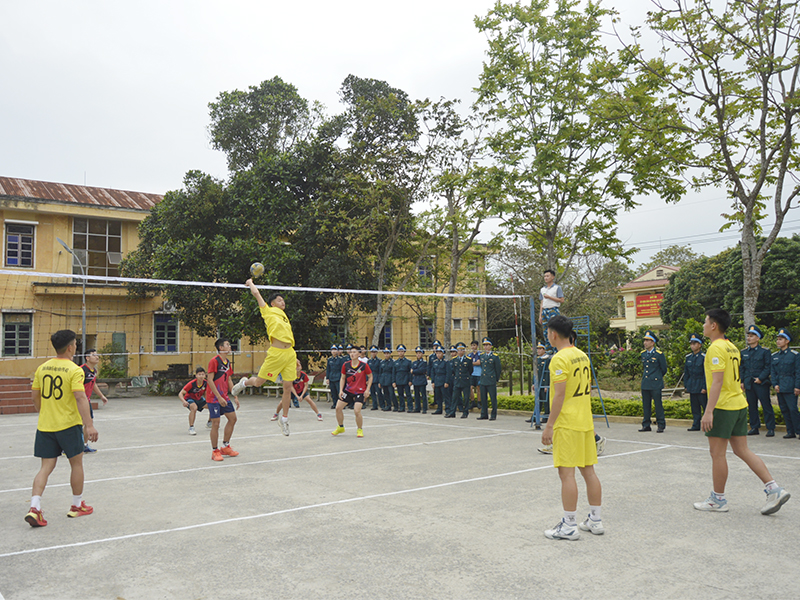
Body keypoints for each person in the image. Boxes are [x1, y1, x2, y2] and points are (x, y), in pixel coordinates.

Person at [694, 309, 790, 515]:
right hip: (739, 404)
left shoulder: (715, 348)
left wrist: (708, 411)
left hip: (723, 406)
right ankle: (774, 489)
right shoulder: (732, 347)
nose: (703, 325)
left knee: (717, 454)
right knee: (742, 450)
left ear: (713, 325)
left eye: (705, 321)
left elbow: (718, 381)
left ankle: (718, 499)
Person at [25, 329, 99, 527]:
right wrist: (89, 425)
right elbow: (80, 396)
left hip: (46, 426)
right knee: (76, 463)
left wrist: (44, 413)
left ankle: (35, 507)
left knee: (45, 467)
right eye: (75, 344)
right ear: (70, 347)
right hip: (68, 425)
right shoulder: (74, 370)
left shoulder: (42, 368)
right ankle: (76, 506)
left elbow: (34, 396)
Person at [540, 315, 603, 541]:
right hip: (585, 422)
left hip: (567, 423)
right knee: (589, 471)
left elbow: (559, 395)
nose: (547, 336)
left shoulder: (559, 359)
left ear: (553, 334)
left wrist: (549, 425)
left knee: (566, 474)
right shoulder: (582, 355)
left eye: (548, 332)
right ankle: (595, 519)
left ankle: (568, 526)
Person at [232, 282, 296, 436]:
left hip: (290, 354)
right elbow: (257, 294)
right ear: (272, 303)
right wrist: (251, 283)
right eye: (279, 300)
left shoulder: (285, 316)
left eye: (283, 300)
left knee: (288, 387)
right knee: (259, 382)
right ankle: (244, 382)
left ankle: (285, 420)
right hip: (276, 354)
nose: (283, 302)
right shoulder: (268, 311)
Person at [206, 338, 241, 461]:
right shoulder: (214, 361)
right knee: (216, 423)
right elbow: (210, 380)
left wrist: (235, 395)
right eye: (227, 345)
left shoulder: (227, 362)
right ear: (221, 348)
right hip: (214, 397)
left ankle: (225, 446)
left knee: (233, 419)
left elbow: (229, 379)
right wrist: (218, 397)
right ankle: (215, 451)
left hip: (225, 396)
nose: (230, 346)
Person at [740, 325, 775, 436]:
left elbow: (767, 366)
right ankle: (754, 427)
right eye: (748, 336)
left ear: (758, 338)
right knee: (752, 406)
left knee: (766, 405)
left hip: (761, 383)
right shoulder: (744, 352)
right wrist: (742, 381)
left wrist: (761, 378)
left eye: (752, 336)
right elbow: (742, 368)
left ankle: (770, 428)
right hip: (749, 382)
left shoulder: (765, 351)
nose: (749, 338)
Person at [332, 346, 373, 438]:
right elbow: (342, 378)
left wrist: (367, 389)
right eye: (351, 352)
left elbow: (370, 376)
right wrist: (341, 390)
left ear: (359, 354)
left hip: (360, 391)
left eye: (354, 352)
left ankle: (359, 429)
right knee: (338, 408)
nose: (352, 354)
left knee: (357, 411)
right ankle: (340, 427)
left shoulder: (363, 365)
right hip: (348, 390)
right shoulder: (345, 365)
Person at [770, 328, 800, 439]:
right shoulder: (775, 356)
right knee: (784, 409)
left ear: (787, 341)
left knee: (793, 409)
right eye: (777, 339)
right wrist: (775, 384)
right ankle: (790, 431)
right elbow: (773, 372)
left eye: (781, 339)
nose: (778, 341)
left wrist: (797, 386)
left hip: (791, 385)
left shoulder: (794, 355)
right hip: (780, 386)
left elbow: (798, 371)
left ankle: (798, 430)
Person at [639, 330, 668, 433]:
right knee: (646, 405)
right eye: (645, 340)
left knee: (658, 405)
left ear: (653, 342)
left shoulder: (659, 354)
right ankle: (646, 424)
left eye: (648, 340)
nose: (645, 342)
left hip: (655, 383)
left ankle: (661, 424)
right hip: (646, 383)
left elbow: (664, 369)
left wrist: (657, 377)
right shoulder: (643, 354)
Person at [80, 348, 108, 452]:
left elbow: (93, 383)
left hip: (87, 400)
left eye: (97, 355)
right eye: (93, 355)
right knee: (78, 424)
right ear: (87, 358)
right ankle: (70, 447)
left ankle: (84, 445)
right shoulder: (81, 370)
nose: (97, 357)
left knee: (89, 422)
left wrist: (101, 396)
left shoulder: (93, 371)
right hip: (80, 401)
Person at [684, 333, 708, 432]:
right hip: (692, 385)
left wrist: (705, 387)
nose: (693, 345)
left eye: (695, 343)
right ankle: (696, 424)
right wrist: (686, 385)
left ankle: (708, 425)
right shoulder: (688, 357)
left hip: (700, 384)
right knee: (694, 407)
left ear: (700, 345)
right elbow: (686, 373)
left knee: (705, 406)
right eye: (691, 343)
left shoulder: (704, 357)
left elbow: (706, 374)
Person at [539, 269, 565, 353]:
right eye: (545, 276)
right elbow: (542, 302)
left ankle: (556, 350)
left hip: (553, 310)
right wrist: (540, 315)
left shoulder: (557, 288)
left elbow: (561, 300)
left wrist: (549, 297)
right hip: (544, 311)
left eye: (548, 276)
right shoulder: (542, 289)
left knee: (554, 330)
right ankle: (548, 350)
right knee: (546, 331)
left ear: (552, 277)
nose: (546, 278)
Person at [477, 337, 502, 421]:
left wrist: (495, 379)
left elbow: (498, 369)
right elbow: (482, 367)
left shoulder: (495, 357)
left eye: (487, 345)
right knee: (483, 398)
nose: (486, 347)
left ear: (491, 346)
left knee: (493, 398)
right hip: (483, 379)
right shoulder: (482, 356)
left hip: (491, 380)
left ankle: (493, 414)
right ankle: (484, 414)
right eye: (484, 345)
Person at [179, 366, 208, 435]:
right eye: (199, 374)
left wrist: (209, 401)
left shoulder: (206, 383)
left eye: (202, 374)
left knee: (212, 405)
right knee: (194, 408)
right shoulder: (191, 384)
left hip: (199, 398)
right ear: (196, 376)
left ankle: (210, 422)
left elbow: (206, 394)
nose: (201, 376)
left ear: (205, 375)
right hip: (189, 399)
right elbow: (181, 393)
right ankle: (191, 427)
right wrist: (184, 401)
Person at [526, 342, 550, 425]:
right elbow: (535, 372)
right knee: (538, 401)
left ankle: (546, 416)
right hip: (538, 383)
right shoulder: (538, 359)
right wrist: (533, 383)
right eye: (538, 349)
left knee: (546, 402)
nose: (538, 350)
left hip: (544, 383)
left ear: (544, 350)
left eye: (540, 349)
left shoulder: (547, 359)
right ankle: (535, 416)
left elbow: (548, 373)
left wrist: (547, 384)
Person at [451, 342, 472, 418]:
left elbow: (470, 370)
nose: (460, 352)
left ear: (464, 351)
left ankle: (465, 412)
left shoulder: (468, 360)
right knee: (454, 397)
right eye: (459, 350)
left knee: (466, 398)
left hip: (465, 380)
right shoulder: (454, 360)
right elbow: (453, 370)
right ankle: (452, 412)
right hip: (457, 380)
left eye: (462, 350)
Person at [393, 344, 412, 413]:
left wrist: (410, 380)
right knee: (400, 394)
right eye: (399, 351)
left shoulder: (408, 361)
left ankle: (410, 407)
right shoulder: (396, 362)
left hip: (406, 379)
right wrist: (394, 381)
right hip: (398, 380)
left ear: (404, 352)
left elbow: (410, 372)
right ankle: (402, 407)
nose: (400, 353)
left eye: (402, 351)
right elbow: (394, 372)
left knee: (408, 394)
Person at [431, 347, 450, 415]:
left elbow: (448, 373)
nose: (438, 354)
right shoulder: (434, 362)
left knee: (446, 396)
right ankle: (439, 409)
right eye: (437, 353)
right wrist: (433, 381)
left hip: (443, 380)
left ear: (443, 353)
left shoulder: (446, 362)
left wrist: (446, 382)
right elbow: (433, 372)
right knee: (438, 396)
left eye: (440, 353)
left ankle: (448, 409)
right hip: (437, 381)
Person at [411, 347, 428, 413]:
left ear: (422, 354)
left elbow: (422, 370)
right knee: (416, 395)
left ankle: (424, 408)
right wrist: (415, 371)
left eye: (419, 353)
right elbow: (411, 370)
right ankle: (417, 408)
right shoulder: (414, 362)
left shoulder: (424, 362)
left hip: (422, 380)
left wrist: (414, 371)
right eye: (417, 353)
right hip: (416, 380)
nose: (418, 354)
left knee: (423, 395)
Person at [379, 347, 396, 412]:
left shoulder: (393, 362)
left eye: (388, 353)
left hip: (390, 379)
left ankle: (395, 406)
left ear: (390, 354)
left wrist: (393, 381)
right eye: (385, 353)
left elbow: (393, 372)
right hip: (384, 380)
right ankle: (388, 406)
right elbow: (380, 372)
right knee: (385, 394)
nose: (386, 355)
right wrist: (380, 382)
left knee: (391, 394)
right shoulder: (382, 362)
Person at [367, 345, 383, 410]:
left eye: (375, 352)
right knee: (372, 393)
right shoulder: (369, 361)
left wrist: (380, 381)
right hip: (371, 379)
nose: (373, 353)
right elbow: (367, 371)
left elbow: (380, 371)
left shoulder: (379, 361)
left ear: (377, 353)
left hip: (377, 378)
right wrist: (367, 380)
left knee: (379, 393)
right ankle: (374, 405)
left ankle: (382, 405)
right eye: (372, 352)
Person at [444, 346, 457, 417]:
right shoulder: (449, 362)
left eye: (454, 352)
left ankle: (460, 407)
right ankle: (449, 409)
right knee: (448, 395)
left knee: (456, 395)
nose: (452, 353)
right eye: (451, 352)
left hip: (457, 378)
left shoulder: (458, 360)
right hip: (450, 378)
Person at [469, 340, 481, 410]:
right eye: (472, 345)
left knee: (478, 388)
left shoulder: (479, 354)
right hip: (471, 373)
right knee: (470, 388)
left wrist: (472, 363)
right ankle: (472, 401)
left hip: (478, 373)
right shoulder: (469, 355)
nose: (473, 347)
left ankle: (479, 402)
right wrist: (474, 362)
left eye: (474, 345)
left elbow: (479, 363)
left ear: (477, 346)